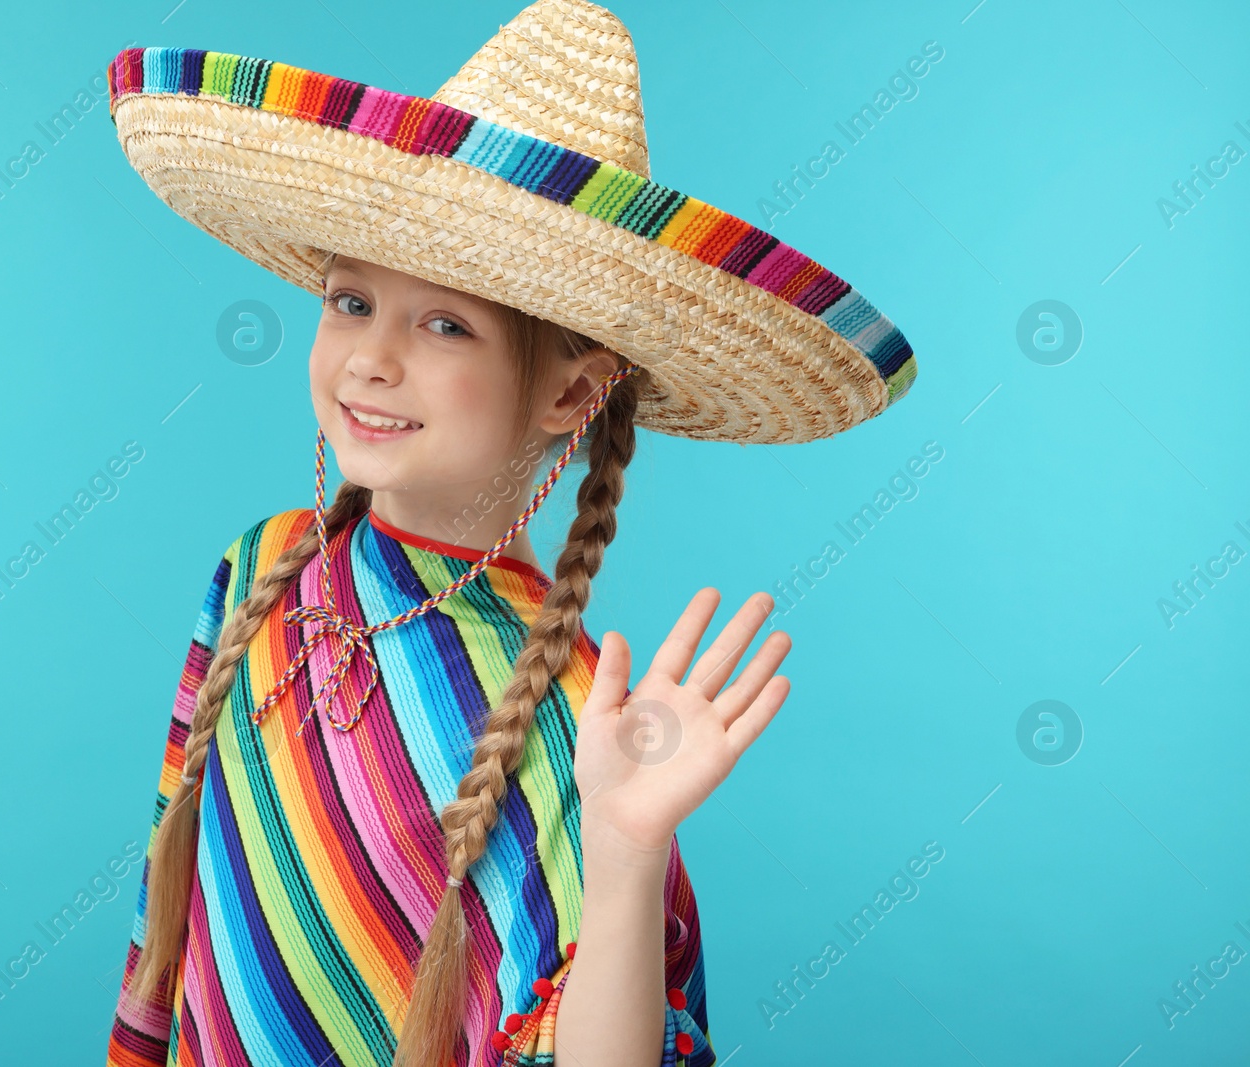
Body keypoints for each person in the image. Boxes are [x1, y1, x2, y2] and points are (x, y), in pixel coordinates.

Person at [101, 2, 916, 1064]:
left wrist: (625, 846)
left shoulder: (576, 723)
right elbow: (166, 945)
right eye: (351, 301)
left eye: (444, 323)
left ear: (571, 394)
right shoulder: (256, 572)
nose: (371, 359)